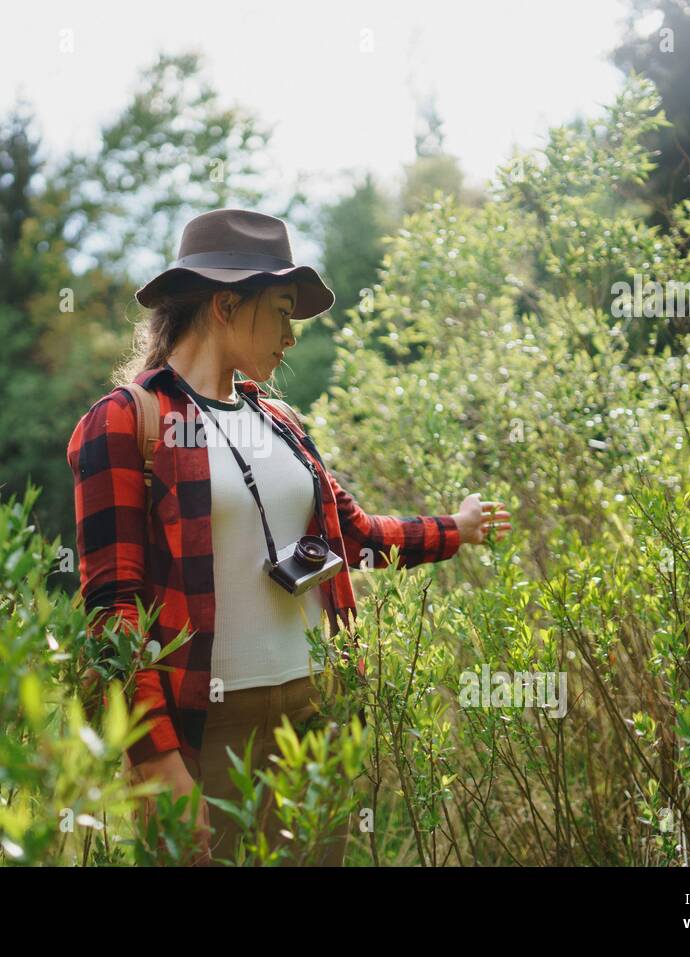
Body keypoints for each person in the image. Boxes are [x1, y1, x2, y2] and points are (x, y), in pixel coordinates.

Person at [66, 208, 511, 866]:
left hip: (315, 720)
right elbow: (113, 611)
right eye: (280, 311)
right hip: (206, 729)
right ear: (224, 304)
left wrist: (457, 528)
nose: (291, 337)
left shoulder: (279, 420)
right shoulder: (131, 421)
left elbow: (355, 536)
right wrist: (158, 761)